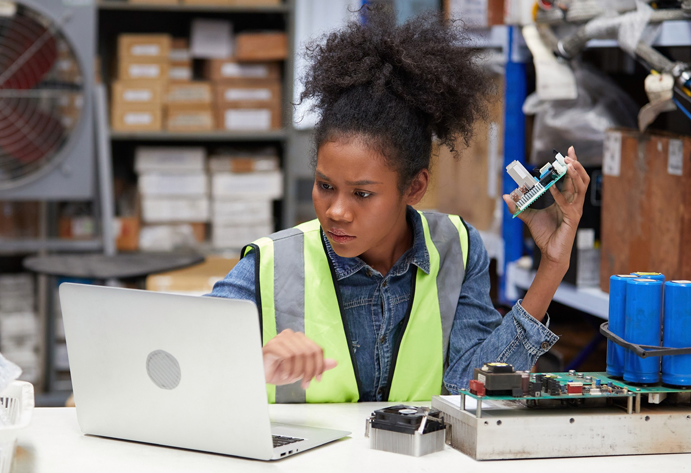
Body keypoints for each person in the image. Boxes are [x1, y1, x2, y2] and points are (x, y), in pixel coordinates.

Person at [208, 7, 590, 403]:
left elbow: (473, 390)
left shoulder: (456, 249)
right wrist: (253, 362)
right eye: (325, 186)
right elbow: (177, 356)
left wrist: (552, 267)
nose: (336, 211)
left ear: (415, 187)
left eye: (362, 193)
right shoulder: (273, 263)